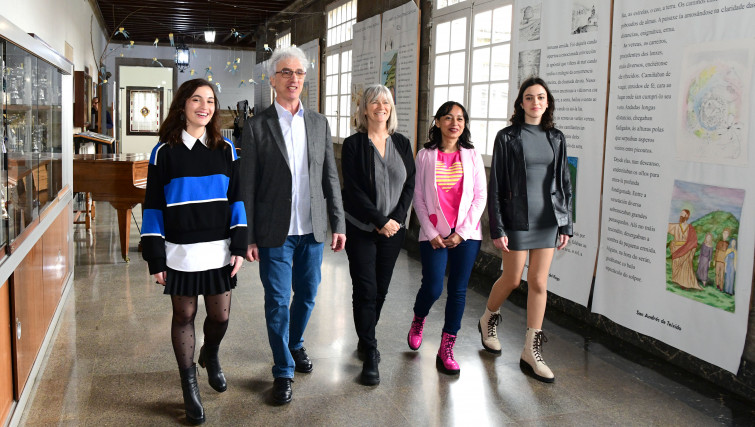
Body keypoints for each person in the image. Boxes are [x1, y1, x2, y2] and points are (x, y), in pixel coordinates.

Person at [240, 46, 346, 405]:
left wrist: (338, 222)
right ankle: (283, 369)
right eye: (286, 72)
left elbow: (330, 177)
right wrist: (249, 235)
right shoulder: (257, 126)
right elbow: (248, 185)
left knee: (309, 295)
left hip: (313, 229)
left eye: (299, 73)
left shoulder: (318, 123)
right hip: (274, 232)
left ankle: (295, 342)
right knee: (278, 301)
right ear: (273, 80)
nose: (294, 79)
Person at [141, 78, 247, 424]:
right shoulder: (163, 153)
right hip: (180, 251)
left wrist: (240, 245)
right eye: (197, 99)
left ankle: (210, 355)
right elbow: (154, 208)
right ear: (183, 104)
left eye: (211, 101)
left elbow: (237, 201)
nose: (205, 106)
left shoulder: (226, 149)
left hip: (218, 250)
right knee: (184, 317)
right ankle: (190, 390)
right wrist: (155, 256)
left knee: (220, 317)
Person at [480, 77, 572, 383]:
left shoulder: (556, 137)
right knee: (512, 278)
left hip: (548, 219)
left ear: (548, 103)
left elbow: (564, 184)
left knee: (539, 283)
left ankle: (531, 350)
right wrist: (498, 226)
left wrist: (565, 223)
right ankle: (488, 317)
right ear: (521, 103)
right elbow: (496, 186)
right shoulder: (507, 137)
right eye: (529, 97)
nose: (535, 102)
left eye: (541, 97)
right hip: (517, 219)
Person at [342, 84, 415, 386]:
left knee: (381, 289)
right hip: (361, 228)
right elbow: (354, 190)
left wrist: (395, 220)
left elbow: (410, 183)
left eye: (386, 102)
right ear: (364, 109)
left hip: (393, 231)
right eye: (374, 102)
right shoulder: (353, 144)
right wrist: (378, 220)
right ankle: (371, 351)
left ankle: (365, 335)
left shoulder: (401, 142)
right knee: (366, 288)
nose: (381, 106)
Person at [407, 101, 487, 375]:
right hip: (433, 235)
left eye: (460, 119)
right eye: (449, 118)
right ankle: (419, 318)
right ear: (438, 122)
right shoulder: (425, 155)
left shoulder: (473, 155)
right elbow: (418, 197)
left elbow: (480, 197)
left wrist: (462, 233)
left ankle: (447, 347)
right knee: (432, 287)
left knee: (458, 291)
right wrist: (431, 233)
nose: (455, 123)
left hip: (466, 236)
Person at [667, 209, 701, 290]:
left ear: (687, 216)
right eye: (680, 214)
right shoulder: (676, 226)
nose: (681, 216)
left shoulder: (690, 228)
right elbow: (666, 226)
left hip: (686, 249)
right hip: (676, 249)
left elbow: (693, 241)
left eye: (683, 214)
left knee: (685, 266)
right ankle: (677, 280)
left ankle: (685, 283)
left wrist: (690, 248)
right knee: (676, 265)